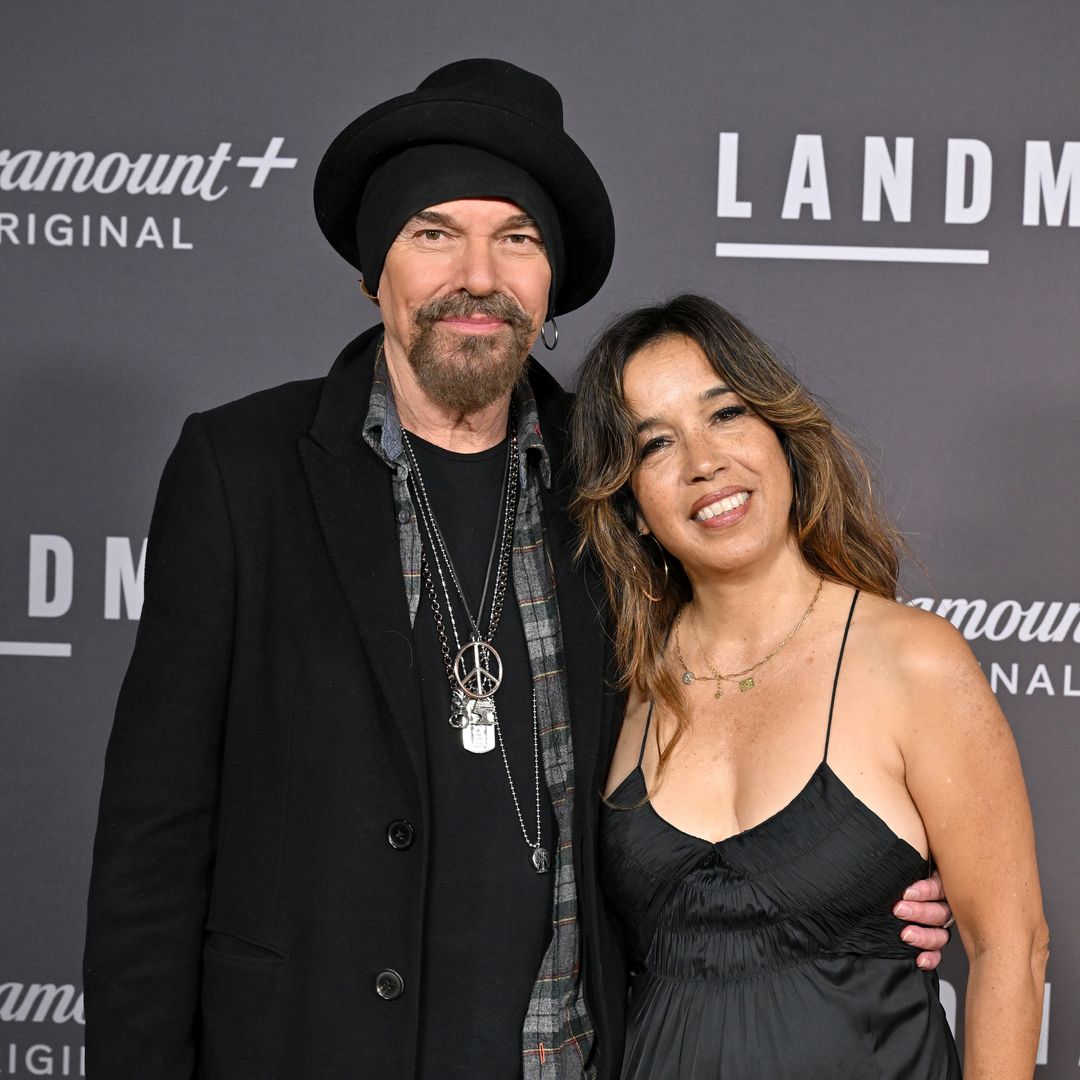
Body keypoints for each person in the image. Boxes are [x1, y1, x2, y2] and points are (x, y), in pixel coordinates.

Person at [83, 60, 951, 1080]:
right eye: (435, 232)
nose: (478, 275)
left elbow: (742, 703)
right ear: (378, 270)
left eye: (518, 238)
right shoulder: (242, 472)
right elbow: (153, 844)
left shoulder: (621, 481)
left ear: (549, 282)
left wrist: (841, 891)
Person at [570, 294, 1049, 1079]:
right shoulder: (621, 684)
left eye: (725, 415)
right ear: (635, 508)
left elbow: (1011, 947)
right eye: (656, 444)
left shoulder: (913, 661)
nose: (703, 462)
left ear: (780, 436)